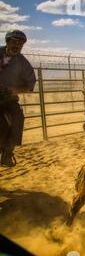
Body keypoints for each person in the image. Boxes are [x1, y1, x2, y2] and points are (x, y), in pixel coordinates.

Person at [0, 30, 36, 167]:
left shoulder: (23, 63)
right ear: (7, 41)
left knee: (18, 117)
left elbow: (30, 84)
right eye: (15, 42)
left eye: (21, 44)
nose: (17, 46)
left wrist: (16, 90)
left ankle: (8, 151)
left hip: (7, 97)